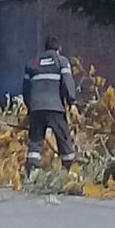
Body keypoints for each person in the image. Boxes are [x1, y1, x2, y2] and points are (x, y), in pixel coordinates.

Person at [23, 35, 77, 176]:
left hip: (36, 108)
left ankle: (31, 172)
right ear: (59, 49)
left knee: (35, 141)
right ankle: (69, 171)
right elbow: (67, 83)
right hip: (55, 108)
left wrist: (30, 108)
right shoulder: (61, 62)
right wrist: (72, 102)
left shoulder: (32, 63)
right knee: (63, 138)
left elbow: (26, 89)